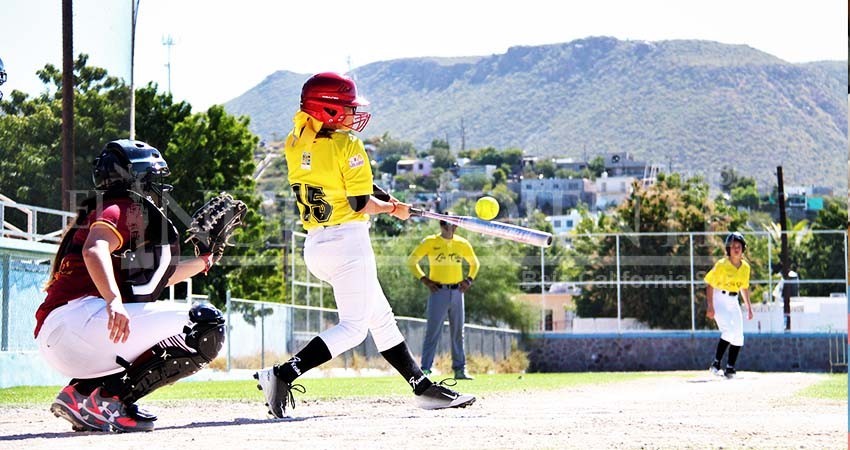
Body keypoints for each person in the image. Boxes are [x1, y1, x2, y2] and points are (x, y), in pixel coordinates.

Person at [253, 72, 475, 417]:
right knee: (355, 328)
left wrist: (387, 198)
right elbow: (359, 203)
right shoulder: (347, 144)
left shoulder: (294, 141)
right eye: (343, 108)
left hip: (317, 244)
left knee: (381, 319)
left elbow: (342, 184)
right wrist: (393, 210)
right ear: (324, 109)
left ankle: (422, 386)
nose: (350, 114)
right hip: (348, 244)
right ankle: (283, 374)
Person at [34, 139, 226, 432]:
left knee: (166, 323)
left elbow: (157, 280)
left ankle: (82, 393)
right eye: (155, 177)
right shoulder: (122, 207)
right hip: (80, 322)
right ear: (137, 178)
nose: (160, 185)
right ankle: (112, 400)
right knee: (206, 327)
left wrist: (205, 261)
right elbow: (93, 250)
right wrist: (113, 301)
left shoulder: (108, 209)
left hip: (66, 332)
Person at [407, 215, 480, 380]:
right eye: (447, 224)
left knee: (458, 332)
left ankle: (460, 370)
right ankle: (425, 369)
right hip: (438, 291)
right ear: (441, 225)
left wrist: (468, 280)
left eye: (453, 225)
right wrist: (424, 279)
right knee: (432, 331)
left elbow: (475, 264)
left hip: (457, 292)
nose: (451, 228)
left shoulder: (462, 243)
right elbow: (412, 261)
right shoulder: (430, 242)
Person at [704, 232, 753, 379]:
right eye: (732, 247)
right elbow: (710, 284)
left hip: (733, 300)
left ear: (743, 249)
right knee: (728, 332)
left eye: (739, 246)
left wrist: (749, 307)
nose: (736, 249)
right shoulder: (722, 265)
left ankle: (730, 368)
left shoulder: (745, 268)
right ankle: (716, 365)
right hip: (720, 298)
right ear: (728, 250)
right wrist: (710, 306)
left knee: (738, 336)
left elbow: (743, 287)